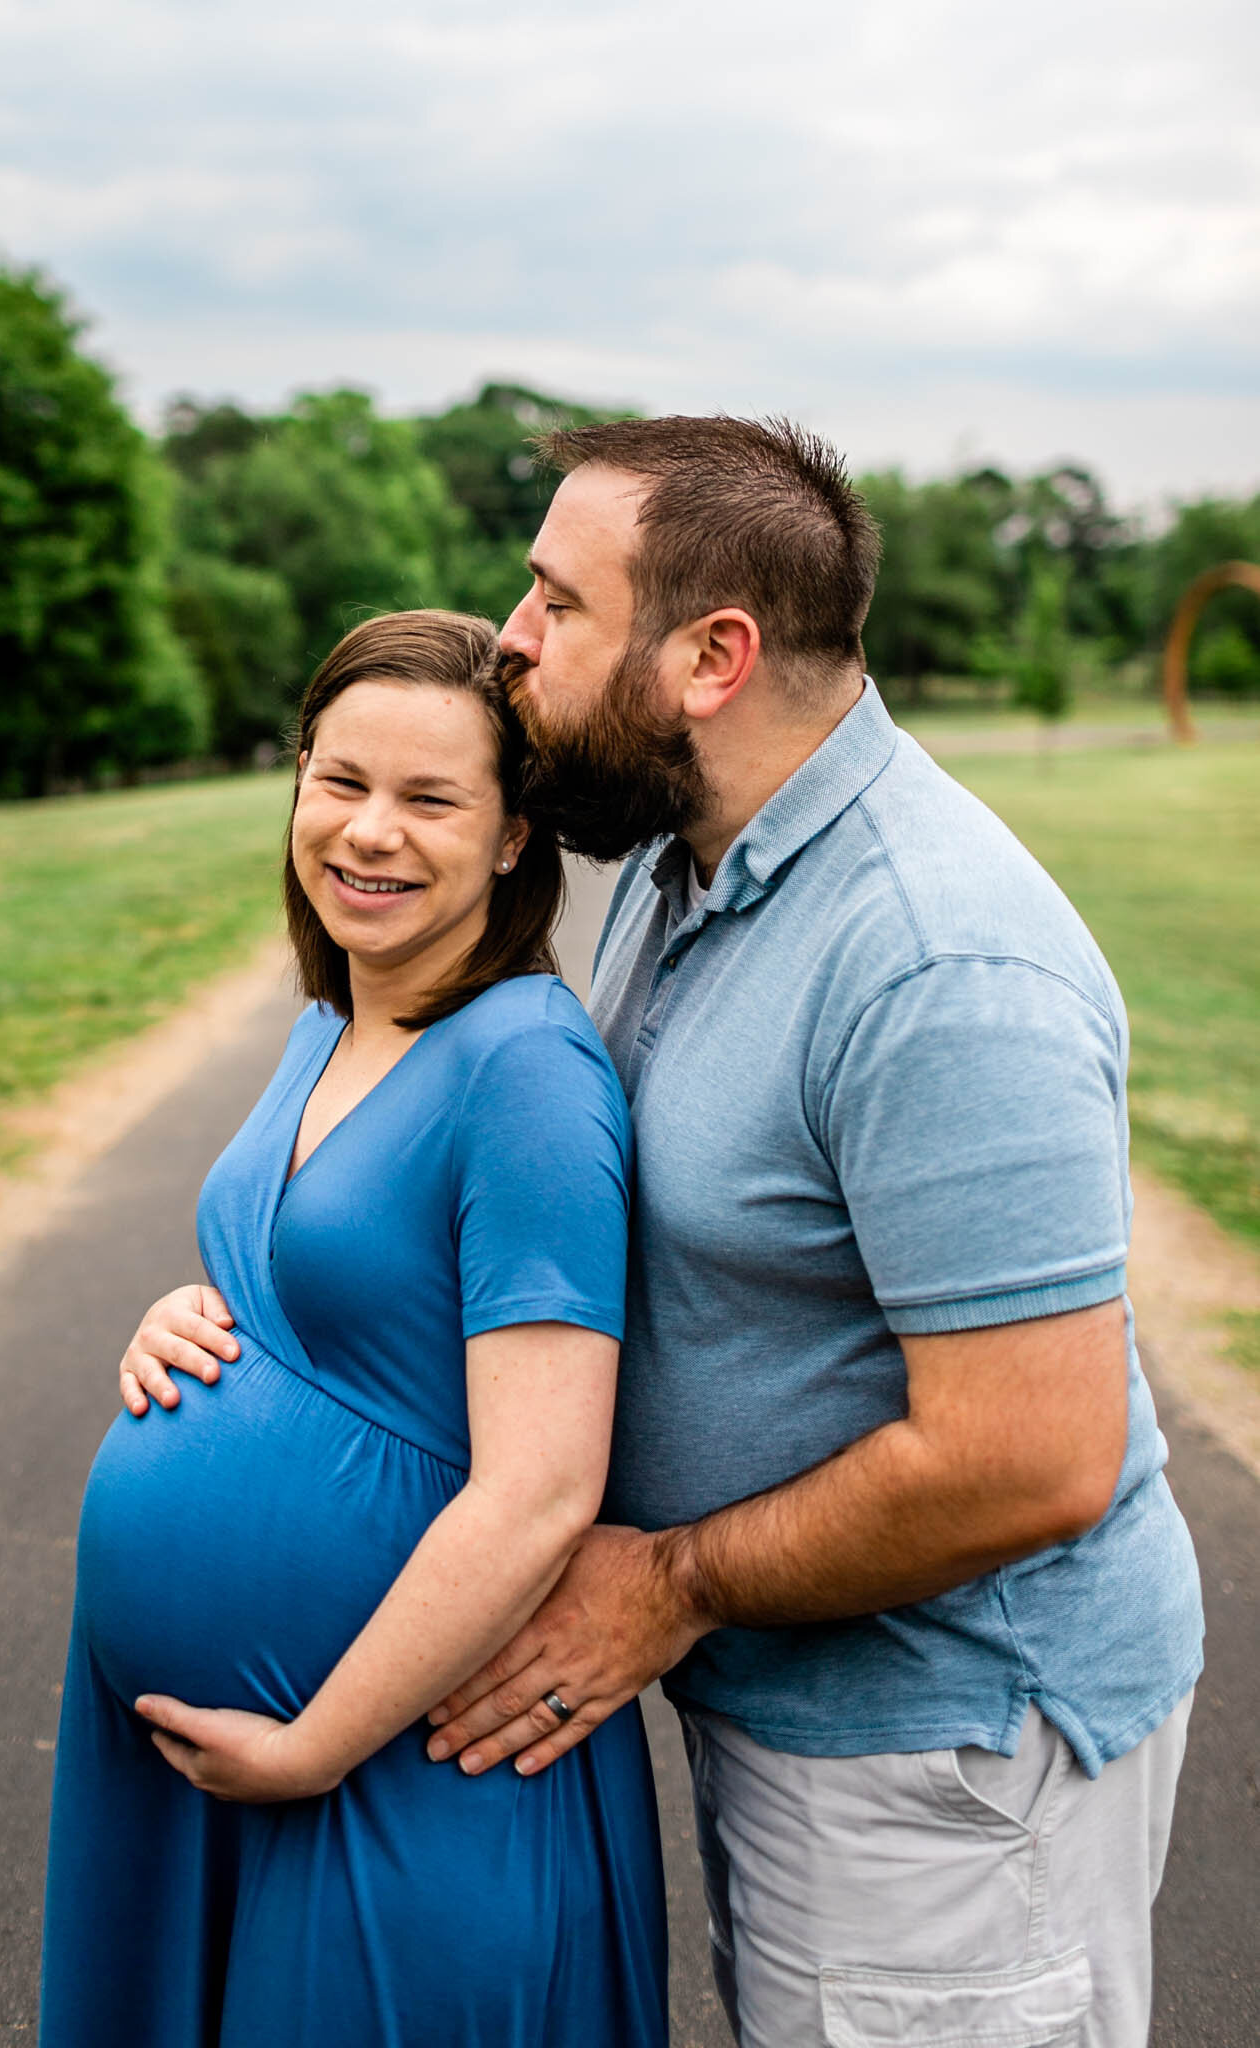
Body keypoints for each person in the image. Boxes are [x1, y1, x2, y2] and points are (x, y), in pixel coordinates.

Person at [129, 420, 1205, 2048]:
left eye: (557, 602)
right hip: (790, 1716)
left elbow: (1029, 1456)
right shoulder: (679, 868)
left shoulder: (936, 966)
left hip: (946, 1757)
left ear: (710, 658)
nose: (511, 635)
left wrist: (678, 1581)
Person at [39, 610, 668, 2048]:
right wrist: (195, 1313)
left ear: (514, 839)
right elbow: (331, 1291)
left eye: (429, 798)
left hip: (396, 1765)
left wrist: (312, 1749)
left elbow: (542, 1485)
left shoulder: (525, 1073)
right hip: (227, 1773)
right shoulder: (336, 1015)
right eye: (339, 781)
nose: (368, 834)